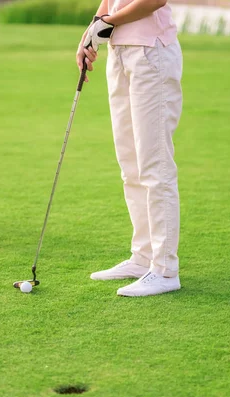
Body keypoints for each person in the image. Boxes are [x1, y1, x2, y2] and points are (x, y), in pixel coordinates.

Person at [77, 0, 183, 297]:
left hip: (151, 52)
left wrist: (108, 21)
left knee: (155, 165)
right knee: (130, 165)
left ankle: (165, 269)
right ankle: (143, 257)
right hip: (119, 52)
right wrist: (91, 30)